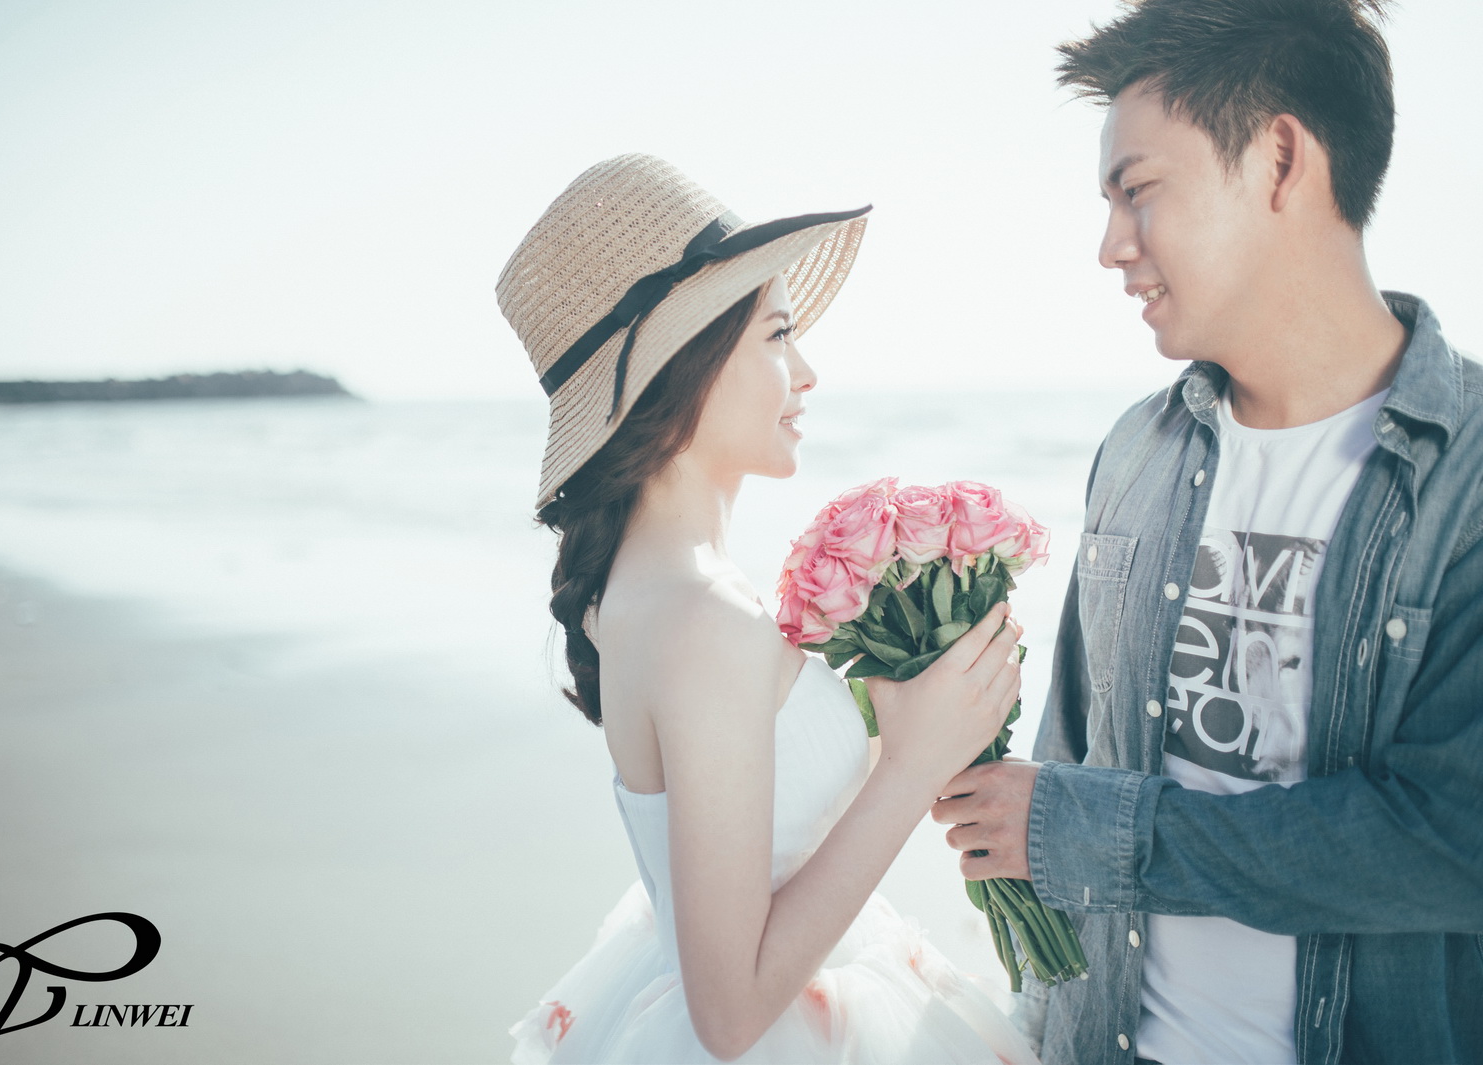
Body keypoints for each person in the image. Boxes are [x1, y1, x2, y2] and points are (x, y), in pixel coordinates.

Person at [931, 2, 1483, 1063]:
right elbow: (1071, 758)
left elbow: (1452, 840)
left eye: (1137, 190)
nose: (1111, 247)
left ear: (1280, 159)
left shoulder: (1468, 472)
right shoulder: (1137, 451)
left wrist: (1095, 830)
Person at [498, 153, 1040, 1064]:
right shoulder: (700, 615)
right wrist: (913, 765)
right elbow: (731, 1011)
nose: (808, 371)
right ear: (683, 364)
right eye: (778, 335)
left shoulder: (660, 586)